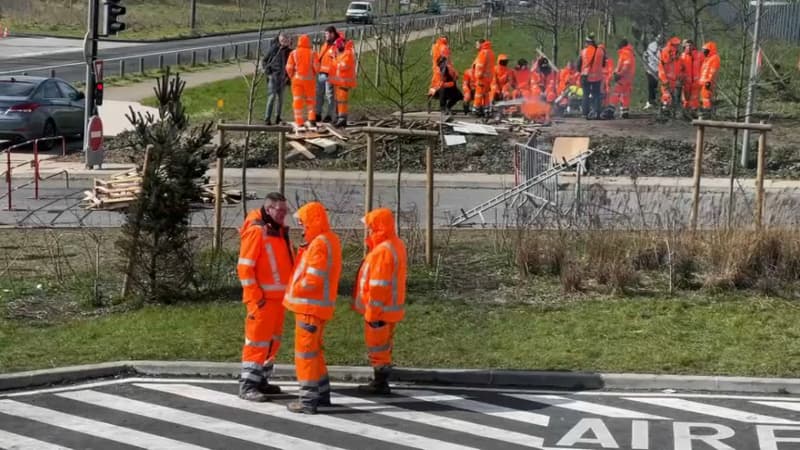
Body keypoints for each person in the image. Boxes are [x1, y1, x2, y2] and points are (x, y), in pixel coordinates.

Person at [284, 201, 342, 415]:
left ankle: (308, 400)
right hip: (317, 307)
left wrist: (295, 289)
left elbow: (313, 279)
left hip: (309, 307)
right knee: (315, 352)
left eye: (303, 223)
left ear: (313, 221)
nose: (302, 228)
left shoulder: (319, 243)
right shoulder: (329, 240)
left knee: (305, 353)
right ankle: (322, 393)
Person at [237, 192, 294, 402]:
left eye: (285, 211)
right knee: (257, 343)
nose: (282, 215)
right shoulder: (257, 232)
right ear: (268, 209)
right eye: (279, 211)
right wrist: (256, 297)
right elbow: (245, 268)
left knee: (271, 343)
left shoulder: (276, 231)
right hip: (262, 301)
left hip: (277, 300)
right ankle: (248, 385)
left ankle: (261, 380)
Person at [352, 208, 407, 395]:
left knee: (378, 347)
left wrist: (372, 313)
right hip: (390, 308)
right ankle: (381, 379)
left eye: (370, 227)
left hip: (379, 311)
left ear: (378, 227)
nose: (368, 231)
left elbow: (378, 286)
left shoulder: (382, 251)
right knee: (385, 345)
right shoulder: (395, 244)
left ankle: (380, 382)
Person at [285, 34, 319, 131]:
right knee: (311, 101)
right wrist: (313, 74)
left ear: (299, 42)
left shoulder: (294, 53)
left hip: (297, 81)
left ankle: (299, 122)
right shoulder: (312, 53)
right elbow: (317, 68)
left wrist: (292, 76)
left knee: (297, 101)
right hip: (310, 81)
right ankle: (312, 120)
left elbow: (289, 67)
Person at [262, 33, 292, 125]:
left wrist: (288, 77)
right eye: (283, 41)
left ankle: (278, 117)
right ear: (279, 40)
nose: (284, 42)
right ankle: (267, 118)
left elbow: (292, 66)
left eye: (286, 41)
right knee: (271, 97)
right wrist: (269, 73)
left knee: (280, 99)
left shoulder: (290, 52)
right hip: (274, 77)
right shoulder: (274, 49)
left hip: (283, 79)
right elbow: (265, 61)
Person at [330, 37, 356, 128]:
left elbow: (343, 66)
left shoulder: (348, 54)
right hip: (339, 82)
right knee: (339, 101)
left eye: (337, 46)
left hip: (344, 82)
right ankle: (339, 118)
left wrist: (334, 59)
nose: (336, 48)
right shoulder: (342, 53)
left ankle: (342, 119)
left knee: (342, 102)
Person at [578, 34, 606, 119]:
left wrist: (581, 71)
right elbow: (603, 64)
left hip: (585, 75)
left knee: (585, 95)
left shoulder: (584, 51)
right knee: (596, 95)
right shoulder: (601, 51)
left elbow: (578, 64)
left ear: (588, 43)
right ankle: (597, 112)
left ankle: (585, 113)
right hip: (597, 76)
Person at [315, 26, 339, 123]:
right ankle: (318, 114)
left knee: (329, 95)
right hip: (322, 73)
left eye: (327, 34)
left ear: (332, 34)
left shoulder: (337, 45)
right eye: (325, 34)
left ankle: (329, 115)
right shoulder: (325, 45)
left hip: (330, 74)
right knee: (319, 94)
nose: (326, 36)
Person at [608, 39, 636, 118]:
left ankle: (610, 110)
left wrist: (619, 74)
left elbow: (626, 65)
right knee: (625, 95)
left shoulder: (625, 53)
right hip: (628, 78)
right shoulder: (630, 53)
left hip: (623, 78)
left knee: (616, 92)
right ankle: (625, 111)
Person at [679, 39, 704, 116]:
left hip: (696, 82)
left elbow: (704, 66)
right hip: (686, 82)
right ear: (684, 47)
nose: (689, 47)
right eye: (687, 45)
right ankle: (685, 113)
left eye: (690, 45)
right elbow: (679, 69)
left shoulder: (699, 55)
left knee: (694, 99)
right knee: (685, 99)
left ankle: (694, 113)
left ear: (693, 46)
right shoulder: (682, 57)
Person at [472, 39, 495, 117]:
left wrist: (478, 76)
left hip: (482, 78)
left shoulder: (483, 52)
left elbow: (480, 65)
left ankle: (476, 110)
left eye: (477, 44)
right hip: (488, 78)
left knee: (478, 94)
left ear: (481, 44)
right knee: (486, 95)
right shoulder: (490, 52)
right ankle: (486, 110)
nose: (476, 46)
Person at [659, 36, 682, 113]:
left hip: (674, 79)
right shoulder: (666, 51)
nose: (677, 46)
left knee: (671, 96)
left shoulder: (676, 53)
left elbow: (678, 67)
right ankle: (665, 111)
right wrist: (664, 79)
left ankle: (669, 111)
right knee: (666, 95)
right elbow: (662, 67)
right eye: (676, 45)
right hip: (667, 79)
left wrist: (679, 78)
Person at [699, 41, 721, 114]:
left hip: (708, 82)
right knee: (705, 97)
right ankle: (707, 110)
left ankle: (707, 111)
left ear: (710, 50)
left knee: (707, 97)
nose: (703, 52)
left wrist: (709, 81)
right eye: (703, 50)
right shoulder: (707, 59)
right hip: (704, 82)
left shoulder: (714, 58)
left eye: (705, 51)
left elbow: (713, 71)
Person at [642, 34, 662, 110]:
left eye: (661, 38)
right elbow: (646, 55)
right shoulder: (651, 45)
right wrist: (646, 64)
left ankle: (656, 101)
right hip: (651, 69)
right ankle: (650, 102)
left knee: (657, 86)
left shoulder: (664, 47)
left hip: (659, 70)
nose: (659, 39)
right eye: (658, 37)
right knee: (651, 85)